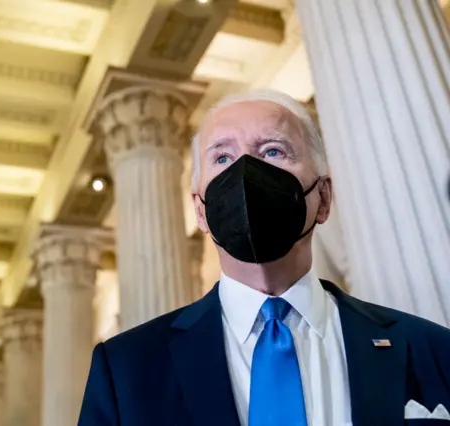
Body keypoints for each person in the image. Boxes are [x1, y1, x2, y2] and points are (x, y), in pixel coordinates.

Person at [78, 90, 450, 426]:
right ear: (201, 211)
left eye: (273, 151)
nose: (244, 174)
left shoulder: (431, 349)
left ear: (322, 197)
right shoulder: (127, 369)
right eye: (222, 157)